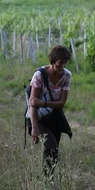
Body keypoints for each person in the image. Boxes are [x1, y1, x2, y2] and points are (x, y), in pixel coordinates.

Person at [28, 45, 73, 180]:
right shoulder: (39, 75)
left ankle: (48, 179)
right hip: (39, 117)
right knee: (51, 145)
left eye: (65, 62)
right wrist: (34, 127)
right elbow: (32, 102)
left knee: (53, 150)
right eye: (60, 62)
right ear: (53, 60)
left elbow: (62, 103)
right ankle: (47, 181)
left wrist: (43, 103)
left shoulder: (67, 75)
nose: (63, 65)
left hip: (55, 116)